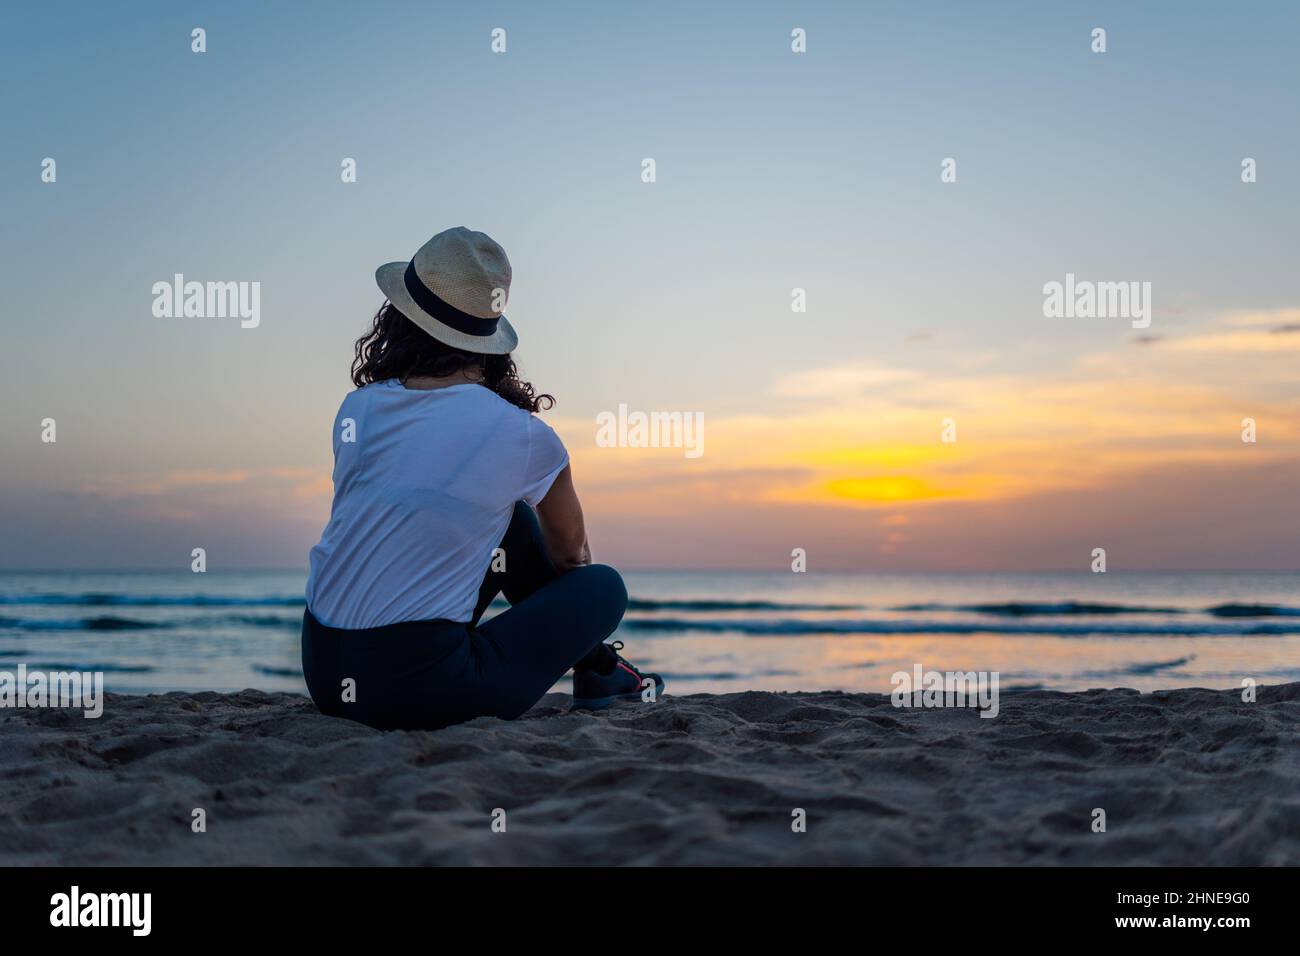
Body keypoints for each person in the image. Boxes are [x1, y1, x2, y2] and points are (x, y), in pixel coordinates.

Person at [301, 226, 663, 730]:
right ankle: (602, 667)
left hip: (323, 671)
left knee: (507, 526)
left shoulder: (357, 409)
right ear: (488, 339)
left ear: (398, 319)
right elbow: (571, 558)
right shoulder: (523, 435)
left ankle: (601, 669)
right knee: (603, 587)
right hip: (416, 689)